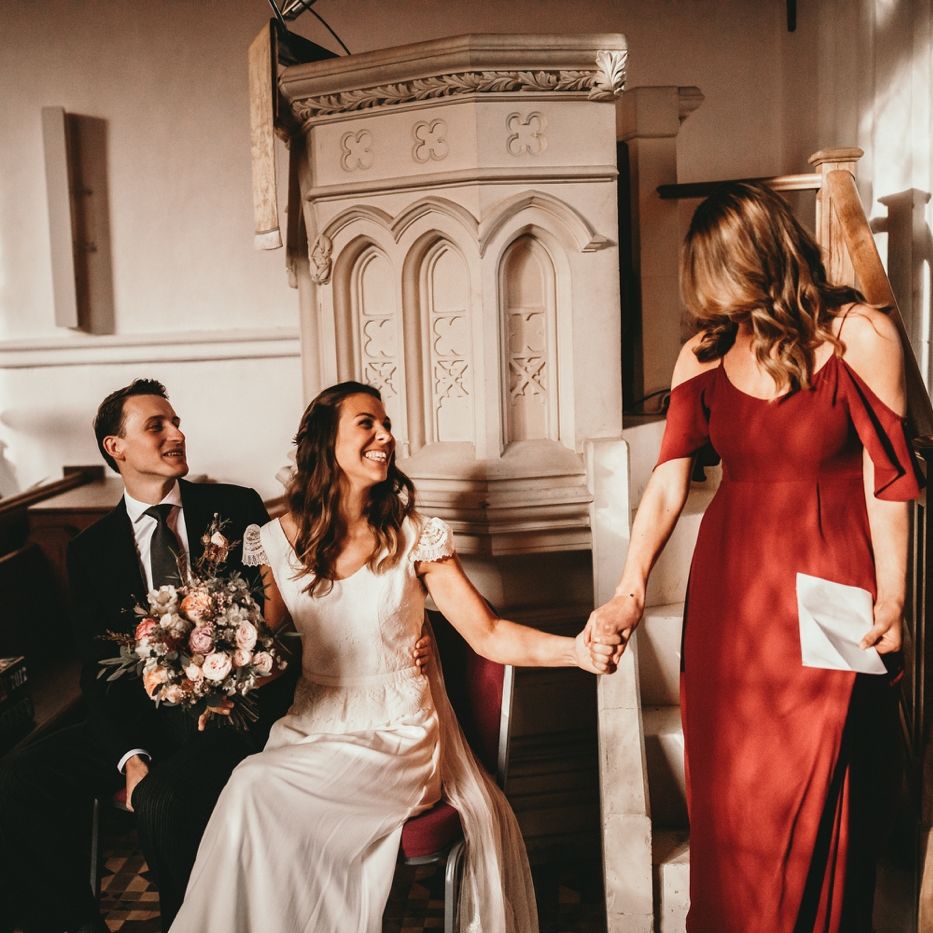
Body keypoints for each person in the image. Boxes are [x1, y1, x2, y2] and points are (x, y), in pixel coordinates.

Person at [588, 182, 922, 931]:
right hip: (731, 599)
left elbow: (886, 478)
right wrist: (630, 589)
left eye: (719, 278)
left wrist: (894, 595)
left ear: (760, 257)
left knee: (822, 790)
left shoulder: (860, 337)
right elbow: (667, 483)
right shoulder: (703, 354)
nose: (711, 302)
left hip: (831, 588)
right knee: (736, 803)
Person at [170, 381, 617, 933]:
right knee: (251, 787)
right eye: (368, 423)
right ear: (326, 442)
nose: (385, 435)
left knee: (255, 786)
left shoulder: (414, 536)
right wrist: (204, 666)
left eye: (386, 425)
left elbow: (489, 634)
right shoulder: (276, 541)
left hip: (398, 734)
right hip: (311, 728)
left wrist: (576, 650)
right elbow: (259, 646)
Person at [0, 378, 430, 931]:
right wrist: (130, 756)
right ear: (116, 447)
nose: (176, 434)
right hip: (140, 717)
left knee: (163, 802)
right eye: (156, 426)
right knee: (18, 778)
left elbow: (290, 615)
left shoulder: (235, 506)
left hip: (230, 716)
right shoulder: (89, 550)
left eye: (176, 422)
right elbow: (97, 670)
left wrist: (402, 637)